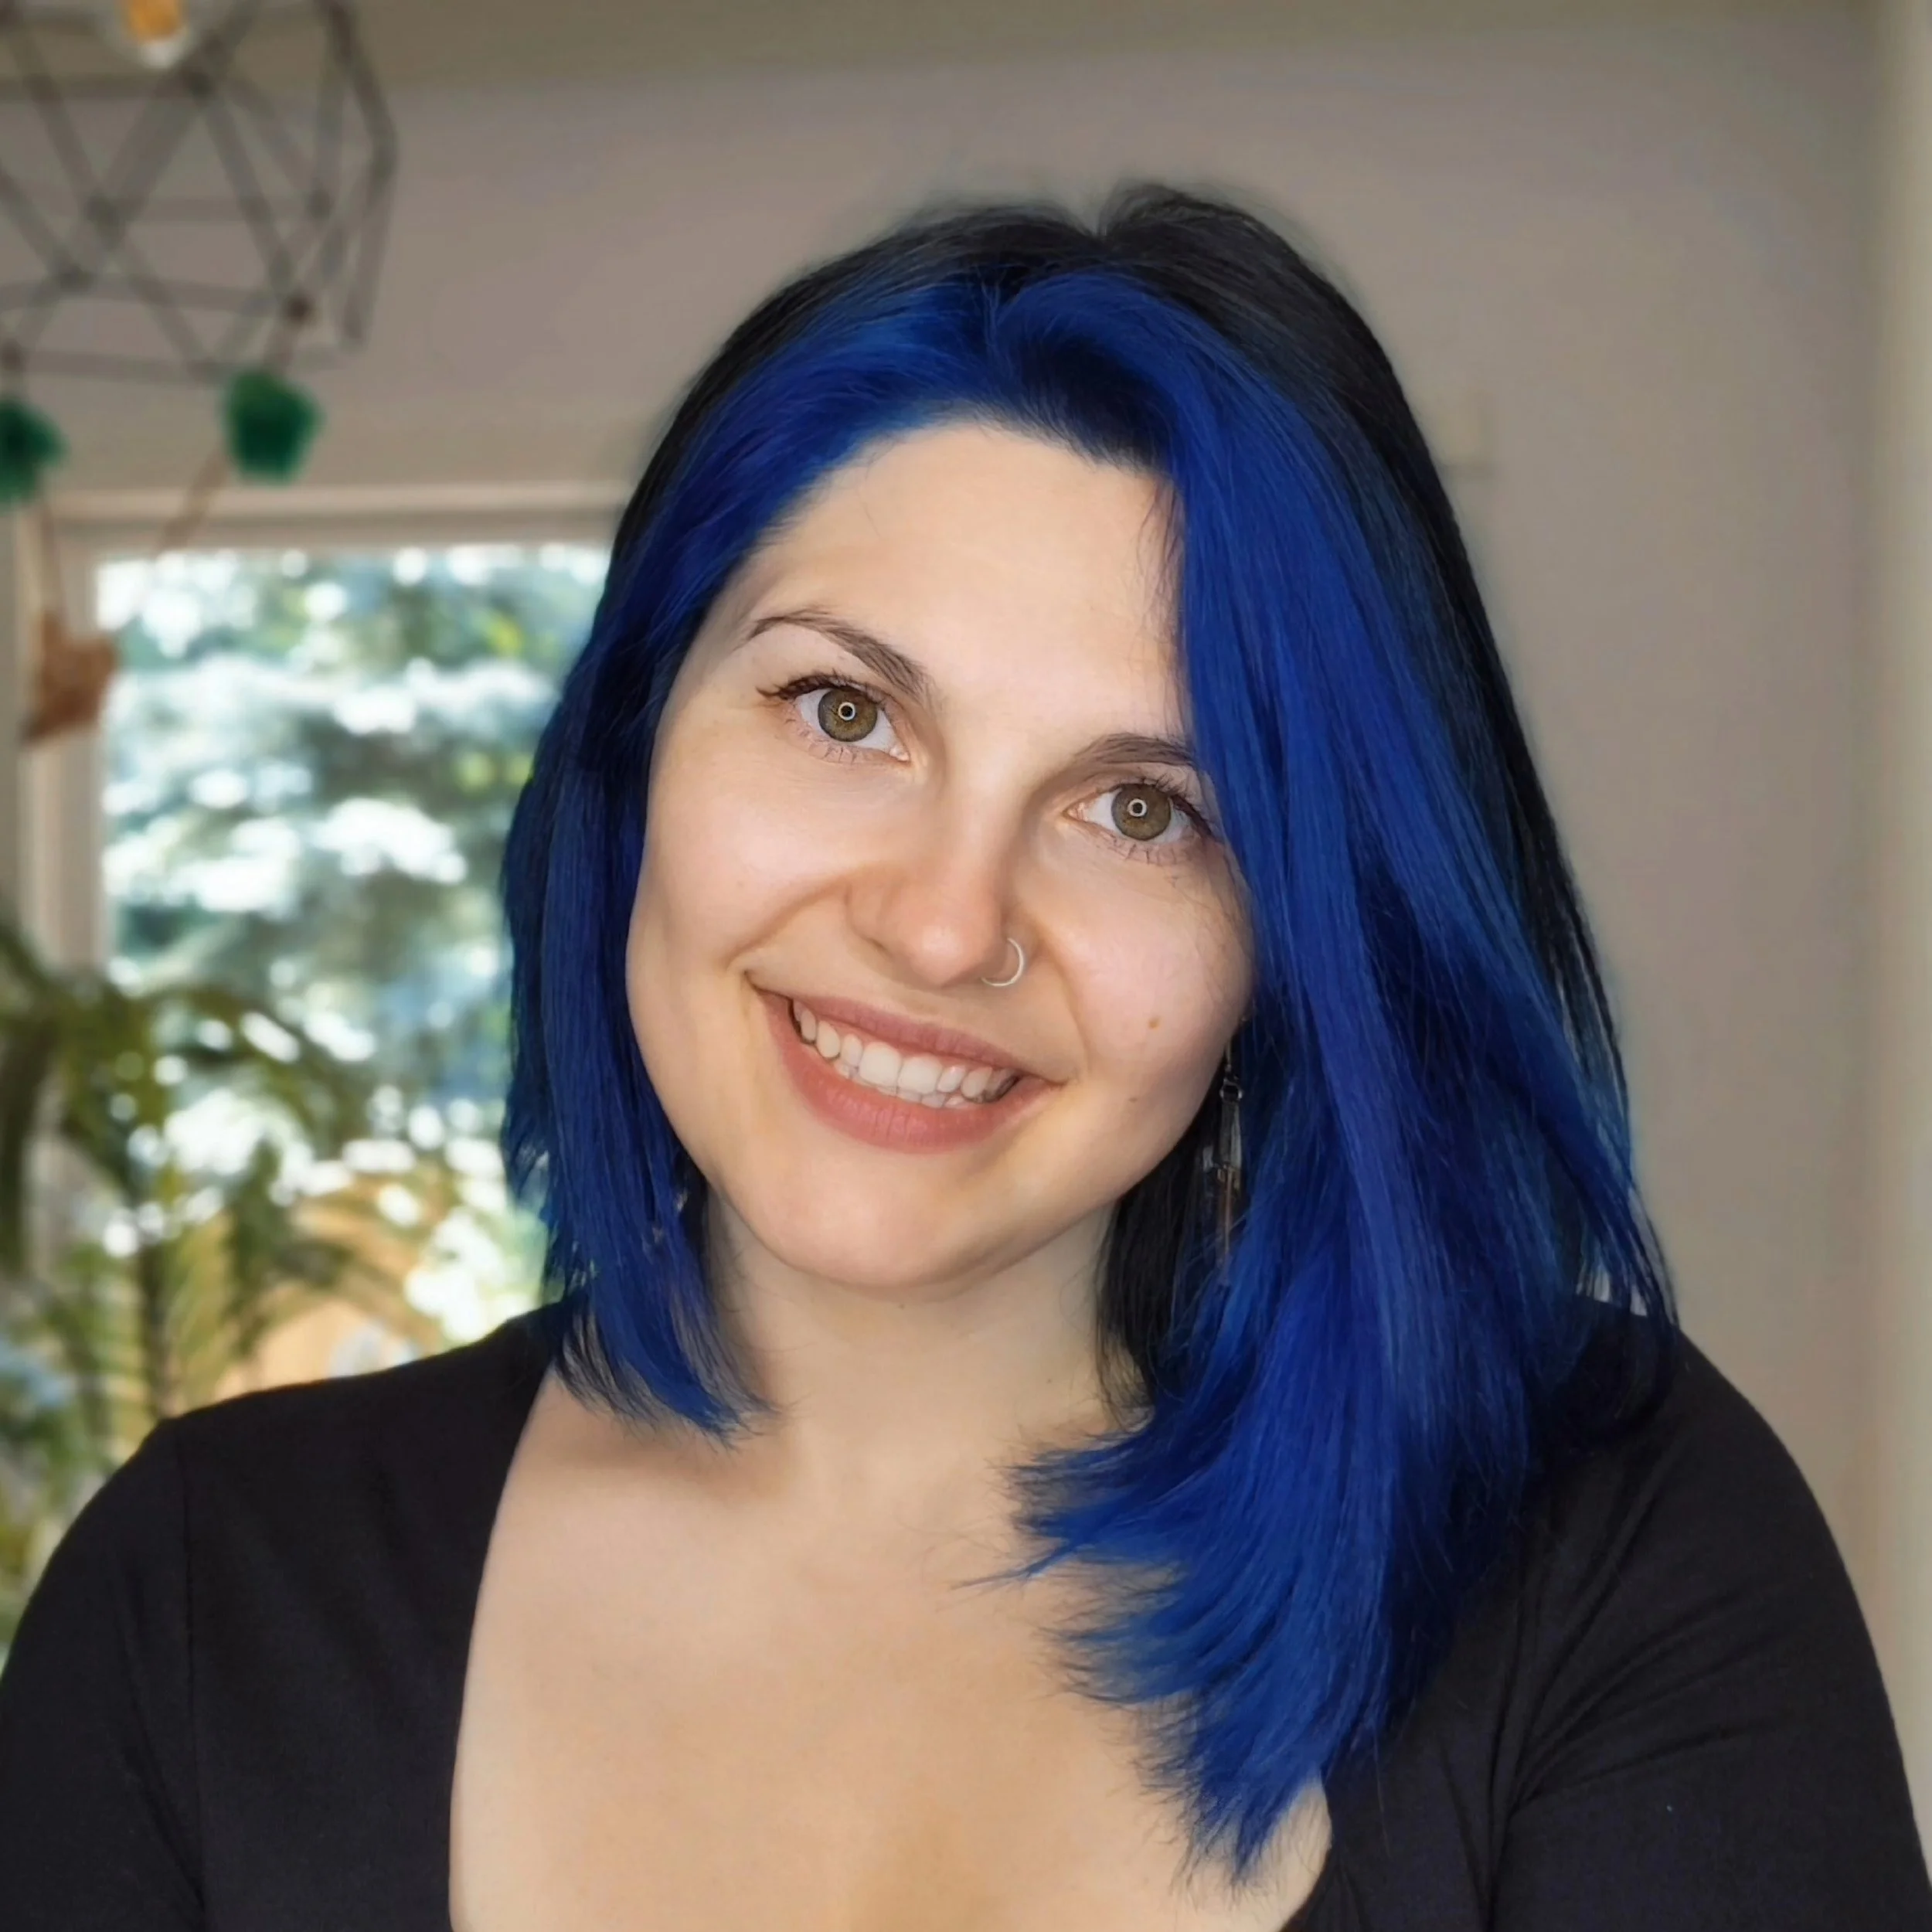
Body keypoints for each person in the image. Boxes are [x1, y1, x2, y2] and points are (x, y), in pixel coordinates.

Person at [0, 182, 1927, 1932]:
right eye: (842, 709)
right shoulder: (199, 1602)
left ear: (1302, 932)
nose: (941, 924)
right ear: (633, 745)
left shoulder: (1600, 1535)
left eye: (1146, 810)